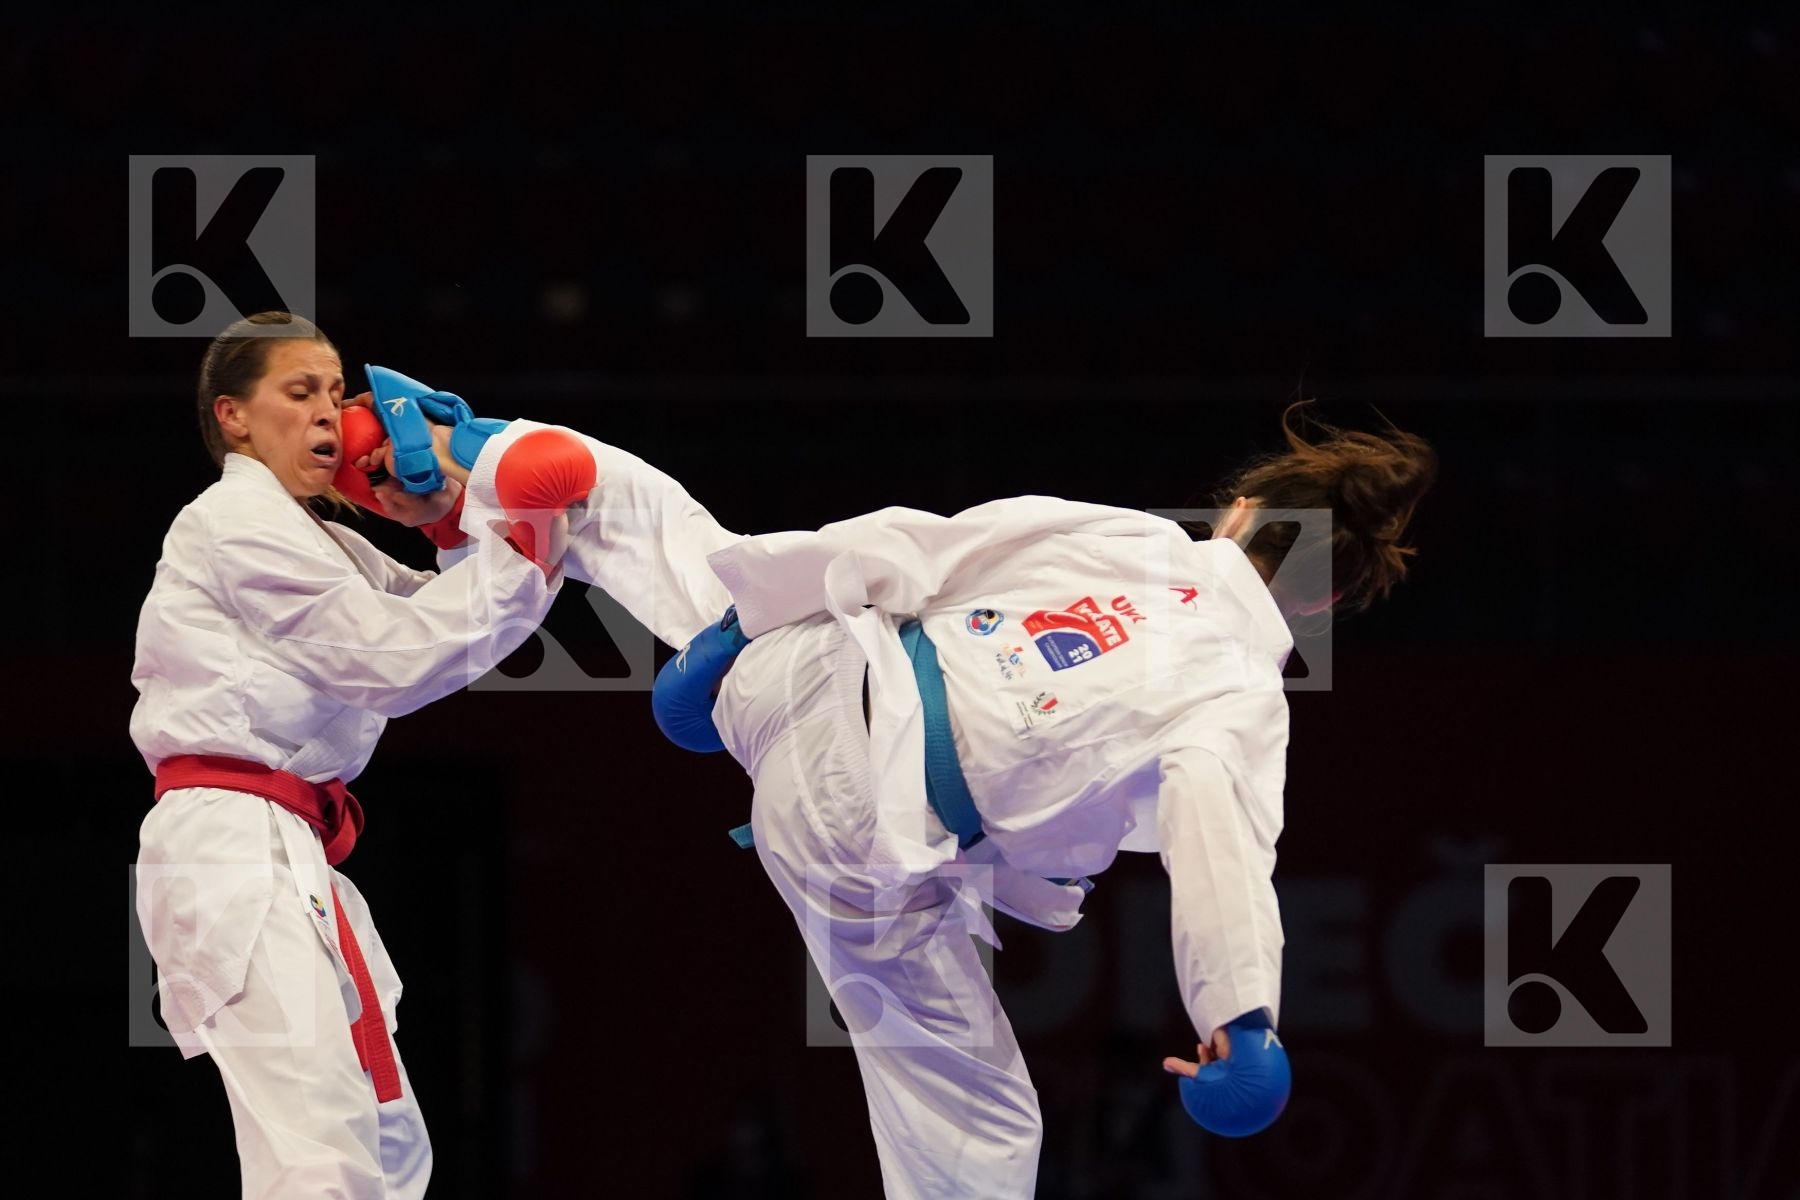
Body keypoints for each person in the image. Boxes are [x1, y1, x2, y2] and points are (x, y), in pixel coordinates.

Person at [346, 393, 1434, 1197]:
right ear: (1324, 603)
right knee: (974, 1112)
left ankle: (457, 451)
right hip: (865, 841)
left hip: (820, 671)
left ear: (1240, 512)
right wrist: (1240, 1023)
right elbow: (1221, 859)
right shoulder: (1245, 693)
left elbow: (919, 543)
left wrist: (737, 630)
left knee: (659, 528)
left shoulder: (1138, 541)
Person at [130, 312, 592, 1199]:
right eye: (300, 394)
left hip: (288, 847)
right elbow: (398, 658)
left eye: (338, 396)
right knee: (319, 1152)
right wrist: (522, 537)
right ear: (233, 416)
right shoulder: (232, 522)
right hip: (234, 842)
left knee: (384, 1147)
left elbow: (448, 614)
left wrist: (453, 515)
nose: (330, 418)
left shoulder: (326, 540)